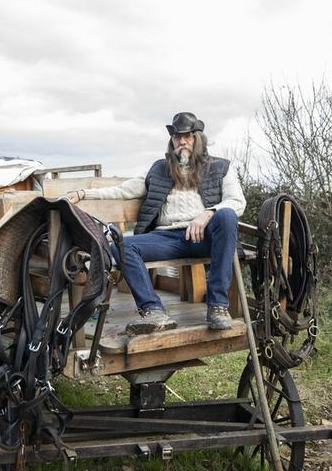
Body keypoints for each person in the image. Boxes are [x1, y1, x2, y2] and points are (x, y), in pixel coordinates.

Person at [67, 112, 246, 335]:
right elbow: (124, 190)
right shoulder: (159, 168)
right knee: (122, 246)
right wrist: (85, 193)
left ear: (197, 138)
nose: (182, 142)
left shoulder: (220, 167)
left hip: (204, 236)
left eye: (187, 136)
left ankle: (218, 306)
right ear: (172, 141)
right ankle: (153, 311)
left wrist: (207, 214)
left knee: (227, 216)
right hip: (167, 238)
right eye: (177, 137)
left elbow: (237, 201)